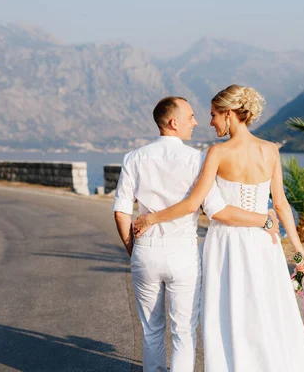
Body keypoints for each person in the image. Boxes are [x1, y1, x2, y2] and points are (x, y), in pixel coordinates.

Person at [133, 85, 304, 371]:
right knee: (266, 311)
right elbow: (281, 205)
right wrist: (299, 250)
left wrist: (152, 218)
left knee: (228, 315)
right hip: (263, 243)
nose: (209, 122)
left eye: (213, 115)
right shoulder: (270, 150)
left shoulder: (217, 152)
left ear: (229, 114)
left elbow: (196, 204)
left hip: (226, 244)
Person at [113, 96, 279, 372]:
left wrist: (134, 249)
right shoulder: (197, 159)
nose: (196, 121)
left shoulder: (134, 158)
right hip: (183, 254)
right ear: (173, 122)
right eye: (190, 117)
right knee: (184, 332)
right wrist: (264, 219)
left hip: (146, 250)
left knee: (151, 330)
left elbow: (120, 212)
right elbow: (217, 209)